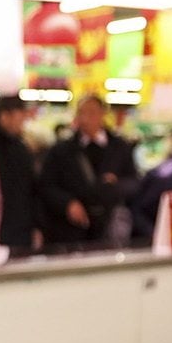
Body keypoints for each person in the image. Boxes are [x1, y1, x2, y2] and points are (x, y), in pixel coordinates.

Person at [39, 94, 139, 251]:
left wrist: (115, 185)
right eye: (81, 113)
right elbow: (47, 185)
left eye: (91, 113)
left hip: (110, 225)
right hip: (71, 230)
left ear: (103, 115)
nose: (85, 118)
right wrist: (67, 203)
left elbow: (134, 183)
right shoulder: (61, 151)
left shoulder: (120, 147)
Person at [0, 96, 40, 255]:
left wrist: (36, 225)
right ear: (4, 116)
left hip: (21, 227)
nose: (23, 121)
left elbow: (31, 189)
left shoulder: (21, 148)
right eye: (20, 116)